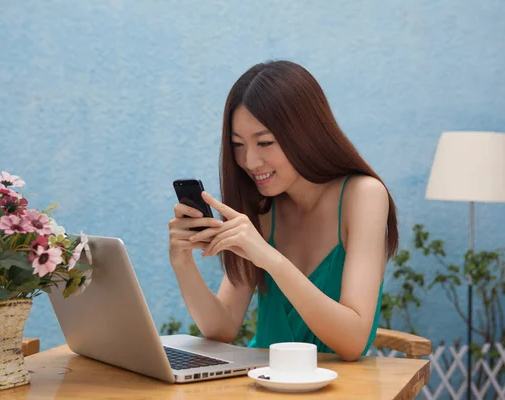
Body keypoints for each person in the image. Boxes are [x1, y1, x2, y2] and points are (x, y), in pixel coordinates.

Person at [168, 60, 398, 361]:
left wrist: (270, 259)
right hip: (261, 384)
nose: (250, 161)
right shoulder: (263, 209)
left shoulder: (363, 196)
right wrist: (182, 261)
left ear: (305, 133)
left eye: (264, 143)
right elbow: (222, 328)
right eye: (238, 145)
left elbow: (353, 341)